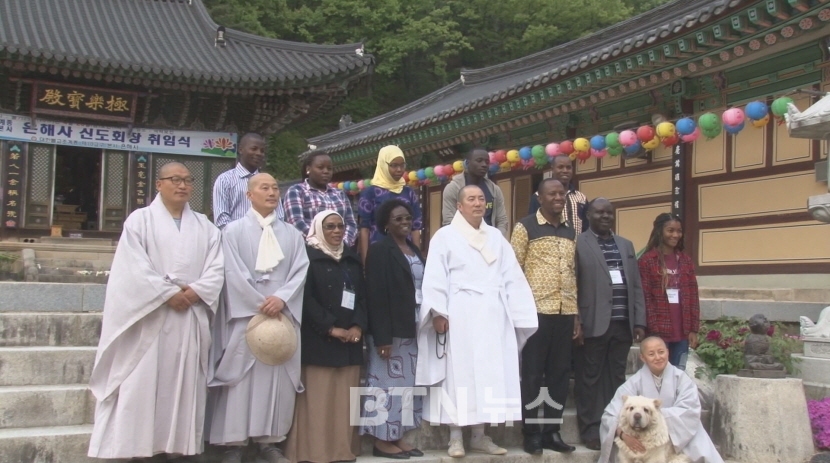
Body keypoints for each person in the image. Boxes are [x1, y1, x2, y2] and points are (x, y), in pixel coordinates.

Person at [88, 162, 224, 461]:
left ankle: (179, 447)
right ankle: (139, 447)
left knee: (183, 383)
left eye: (188, 180)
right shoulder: (140, 221)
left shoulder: (205, 225)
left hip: (188, 315)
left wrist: (195, 291)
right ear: (159, 184)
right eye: (175, 179)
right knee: (142, 383)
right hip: (149, 317)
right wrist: (166, 294)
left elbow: (217, 268)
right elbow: (132, 268)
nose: (183, 185)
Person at [416, 185, 538, 458]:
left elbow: (512, 277)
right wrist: (438, 312)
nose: (477, 203)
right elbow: (435, 275)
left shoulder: (496, 237)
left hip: (493, 315)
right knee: (459, 373)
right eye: (471, 199)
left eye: (481, 199)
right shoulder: (444, 236)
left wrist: (519, 315)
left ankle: (480, 435)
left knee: (488, 373)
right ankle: (456, 436)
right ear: (459, 206)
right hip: (460, 312)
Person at [207, 173, 309, 463]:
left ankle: (270, 441)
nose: (272, 192)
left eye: (275, 187)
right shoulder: (233, 231)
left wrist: (282, 299)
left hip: (281, 317)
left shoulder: (292, 234)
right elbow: (231, 273)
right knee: (240, 379)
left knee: (275, 377)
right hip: (245, 314)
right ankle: (233, 444)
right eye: (264, 188)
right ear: (249, 195)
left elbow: (300, 270)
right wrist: (257, 303)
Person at [285, 211, 367, 463]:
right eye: (330, 226)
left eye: (340, 226)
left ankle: (343, 450)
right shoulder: (308, 258)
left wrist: (357, 326)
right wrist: (331, 328)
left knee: (344, 400)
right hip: (320, 339)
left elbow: (363, 297)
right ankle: (316, 452)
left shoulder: (352, 259)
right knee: (319, 400)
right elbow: (305, 299)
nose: (336, 231)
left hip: (350, 342)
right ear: (319, 229)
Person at [509, 179, 578, 455]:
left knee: (560, 375)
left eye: (562, 193)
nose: (558, 197)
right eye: (553, 193)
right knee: (533, 374)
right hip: (535, 313)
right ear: (540, 197)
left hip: (565, 311)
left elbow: (574, 274)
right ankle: (531, 432)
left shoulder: (571, 231)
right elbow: (513, 271)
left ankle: (551, 431)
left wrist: (577, 316)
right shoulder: (525, 227)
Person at [574, 197, 646, 450]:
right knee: (590, 378)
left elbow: (635, 284)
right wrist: (577, 320)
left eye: (609, 213)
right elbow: (574, 285)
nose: (605, 217)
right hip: (593, 322)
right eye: (599, 212)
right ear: (588, 216)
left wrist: (639, 320)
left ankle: (616, 426)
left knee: (616, 378)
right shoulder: (578, 243)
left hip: (622, 323)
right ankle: (591, 429)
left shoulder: (625, 244)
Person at [361, 199, 425, 459]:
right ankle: (380, 440)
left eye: (408, 217)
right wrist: (382, 338)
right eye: (398, 219)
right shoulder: (379, 250)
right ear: (386, 224)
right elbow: (375, 295)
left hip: (414, 327)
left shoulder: (413, 248)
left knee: (406, 386)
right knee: (384, 385)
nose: (404, 222)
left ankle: (396, 434)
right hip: (390, 332)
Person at [598, 337, 725, 463]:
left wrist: (655, 419)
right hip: (642, 436)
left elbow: (689, 410)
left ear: (668, 352)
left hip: (680, 433)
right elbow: (610, 415)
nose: (658, 357)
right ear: (643, 358)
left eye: (661, 352)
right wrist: (623, 435)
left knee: (699, 445)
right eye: (651, 354)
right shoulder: (633, 383)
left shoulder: (682, 379)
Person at [638, 213, 700, 370]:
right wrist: (653, 331)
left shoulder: (686, 261)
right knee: (658, 374)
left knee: (678, 374)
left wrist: (693, 329)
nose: (675, 235)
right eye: (670, 230)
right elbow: (646, 298)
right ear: (660, 231)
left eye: (679, 231)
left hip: (682, 331)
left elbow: (693, 295)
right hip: (658, 330)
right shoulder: (647, 261)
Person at [358, 145, 422, 263]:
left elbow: (415, 227)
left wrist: (417, 259)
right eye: (394, 165)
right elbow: (364, 229)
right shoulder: (370, 193)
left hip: (406, 255)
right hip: (378, 255)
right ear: (383, 165)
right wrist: (366, 262)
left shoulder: (409, 193)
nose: (399, 169)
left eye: (402, 165)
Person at [283, 149, 358, 246]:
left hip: (341, 250)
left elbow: (351, 223)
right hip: (310, 251)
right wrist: (321, 244)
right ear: (308, 169)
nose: (326, 171)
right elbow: (296, 222)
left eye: (329, 168)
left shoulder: (340, 194)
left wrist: (343, 244)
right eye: (320, 167)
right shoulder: (296, 191)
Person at [213, 133, 284, 228]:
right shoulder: (225, 180)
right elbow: (222, 219)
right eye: (254, 149)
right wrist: (240, 236)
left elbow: (279, 216)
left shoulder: (269, 182)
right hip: (236, 239)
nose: (259, 153)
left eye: (262, 151)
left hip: (267, 237)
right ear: (241, 149)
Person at [441, 147, 508, 237]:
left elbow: (502, 220)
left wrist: (497, 240)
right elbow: (449, 221)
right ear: (468, 163)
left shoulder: (494, 189)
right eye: (479, 161)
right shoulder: (453, 188)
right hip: (463, 243)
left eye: (487, 162)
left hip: (489, 243)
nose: (484, 164)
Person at [527, 155, 588, 233]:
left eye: (568, 167)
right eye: (560, 167)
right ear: (552, 169)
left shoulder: (581, 197)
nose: (565, 170)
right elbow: (532, 224)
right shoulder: (539, 196)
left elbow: (586, 227)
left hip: (578, 244)